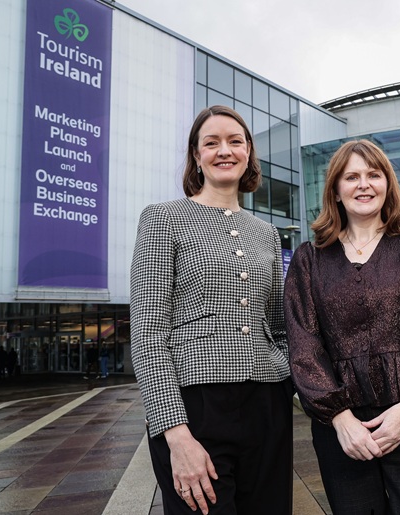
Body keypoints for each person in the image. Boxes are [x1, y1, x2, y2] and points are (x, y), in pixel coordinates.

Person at [285, 139, 400, 514]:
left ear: (388, 184)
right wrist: (339, 418)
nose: (363, 184)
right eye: (351, 177)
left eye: (373, 174)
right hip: (342, 428)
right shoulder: (309, 260)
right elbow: (304, 343)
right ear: (335, 190)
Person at [130, 105, 292, 515]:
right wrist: (175, 432)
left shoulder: (267, 233)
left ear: (249, 154)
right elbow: (148, 333)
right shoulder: (162, 218)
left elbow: (278, 328)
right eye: (212, 142)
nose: (225, 150)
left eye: (236, 141)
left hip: (267, 404)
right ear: (196, 155)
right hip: (196, 408)